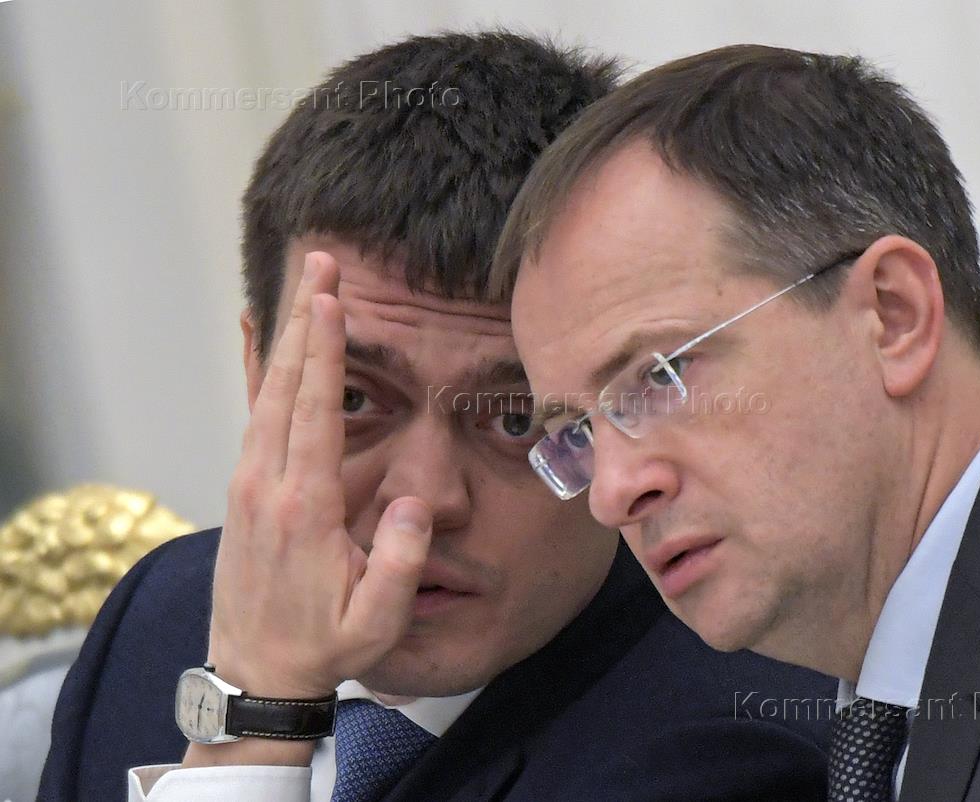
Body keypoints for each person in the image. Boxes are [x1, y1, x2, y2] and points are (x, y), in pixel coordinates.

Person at [39, 34, 833, 802]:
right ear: (259, 373)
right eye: (352, 400)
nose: (421, 502)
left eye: (517, 420)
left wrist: (254, 718)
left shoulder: (727, 750)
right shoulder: (161, 617)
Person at [493, 45, 980, 801]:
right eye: (578, 432)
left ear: (893, 316)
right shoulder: (872, 715)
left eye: (659, 377)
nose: (612, 494)